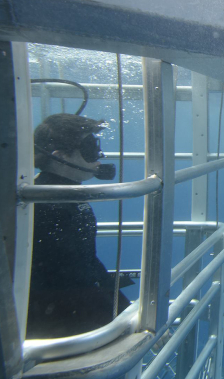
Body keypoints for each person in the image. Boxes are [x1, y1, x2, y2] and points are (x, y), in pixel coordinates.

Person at [26, 113, 131, 339]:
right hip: (59, 323)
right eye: (89, 148)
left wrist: (123, 308)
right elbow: (70, 275)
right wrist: (123, 316)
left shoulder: (64, 194)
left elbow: (84, 262)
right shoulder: (50, 204)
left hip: (66, 311)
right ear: (60, 157)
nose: (99, 157)